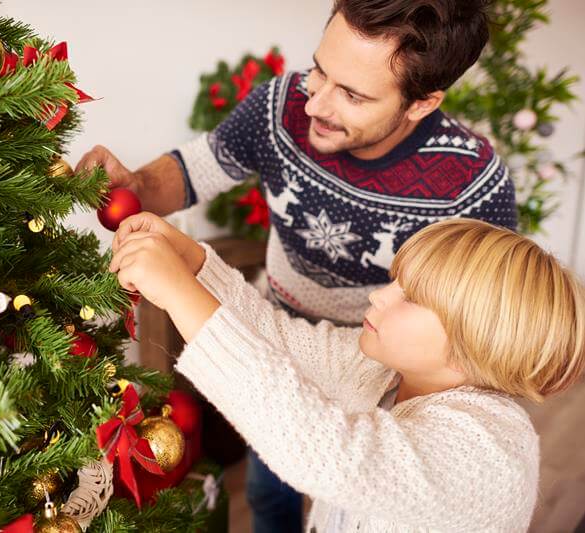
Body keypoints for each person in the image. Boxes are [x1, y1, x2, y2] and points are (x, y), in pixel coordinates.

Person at [80, 1, 515, 530]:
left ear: (423, 103)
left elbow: (484, 327)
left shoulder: (472, 184)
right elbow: (200, 167)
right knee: (272, 495)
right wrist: (137, 188)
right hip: (283, 335)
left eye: (352, 95)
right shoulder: (281, 105)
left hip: (386, 367)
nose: (315, 104)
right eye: (320, 71)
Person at [109, 211, 585, 532]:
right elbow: (278, 340)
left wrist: (176, 292)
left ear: (474, 345)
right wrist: (192, 265)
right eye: (395, 281)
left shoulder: (487, 451)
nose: (380, 296)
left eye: (410, 297)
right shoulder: (385, 370)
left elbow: (326, 449)